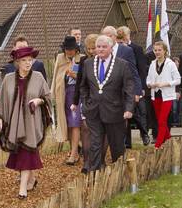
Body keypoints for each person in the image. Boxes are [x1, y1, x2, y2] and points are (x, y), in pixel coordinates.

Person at [0, 46, 52, 199]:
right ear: (17, 62)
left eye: (30, 60)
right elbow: (1, 101)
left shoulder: (38, 77)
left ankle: (22, 189)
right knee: (21, 154)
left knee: (26, 154)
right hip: (14, 124)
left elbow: (48, 97)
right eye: (24, 60)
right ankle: (31, 179)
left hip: (31, 123)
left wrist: (39, 100)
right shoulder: (8, 79)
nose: (28, 63)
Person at [73, 35, 135, 173]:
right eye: (98, 47)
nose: (100, 49)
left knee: (117, 145)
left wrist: (129, 108)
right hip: (94, 111)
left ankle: (120, 174)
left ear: (111, 48)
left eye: (104, 47)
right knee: (95, 143)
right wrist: (85, 101)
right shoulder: (88, 64)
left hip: (115, 112)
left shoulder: (122, 65)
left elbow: (129, 88)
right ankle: (94, 173)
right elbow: (82, 86)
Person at [102, 25, 142, 148]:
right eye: (105, 35)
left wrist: (137, 91)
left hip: (123, 91)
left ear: (115, 37)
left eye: (110, 35)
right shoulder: (101, 52)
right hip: (107, 93)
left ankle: (123, 144)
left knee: (123, 119)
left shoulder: (126, 51)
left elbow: (133, 71)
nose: (107, 38)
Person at [117, 26, 151, 146]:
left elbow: (140, 69)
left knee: (137, 113)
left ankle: (144, 134)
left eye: (123, 36)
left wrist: (140, 88)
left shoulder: (136, 48)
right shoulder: (115, 49)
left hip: (134, 85)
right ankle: (127, 142)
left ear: (128, 35)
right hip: (121, 86)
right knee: (125, 115)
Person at [52, 35, 82, 165]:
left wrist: (74, 76)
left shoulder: (81, 59)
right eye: (67, 49)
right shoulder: (60, 58)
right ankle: (73, 151)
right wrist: (53, 92)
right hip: (63, 94)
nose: (69, 52)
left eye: (71, 49)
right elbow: (55, 76)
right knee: (68, 124)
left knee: (75, 123)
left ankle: (74, 153)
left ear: (76, 49)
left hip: (76, 95)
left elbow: (84, 79)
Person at [146, 41, 180, 148]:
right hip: (155, 95)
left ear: (165, 51)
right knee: (160, 121)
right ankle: (169, 140)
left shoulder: (171, 64)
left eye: (159, 50)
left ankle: (158, 145)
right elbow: (148, 80)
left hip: (167, 96)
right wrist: (151, 84)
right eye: (155, 50)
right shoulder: (152, 64)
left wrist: (166, 83)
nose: (157, 52)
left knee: (162, 120)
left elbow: (178, 80)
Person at [73, 34, 99, 169]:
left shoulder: (104, 61)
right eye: (88, 49)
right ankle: (87, 161)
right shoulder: (83, 61)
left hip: (100, 100)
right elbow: (79, 82)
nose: (91, 51)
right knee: (85, 128)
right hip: (86, 99)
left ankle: (97, 160)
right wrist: (75, 101)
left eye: (93, 48)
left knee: (98, 132)